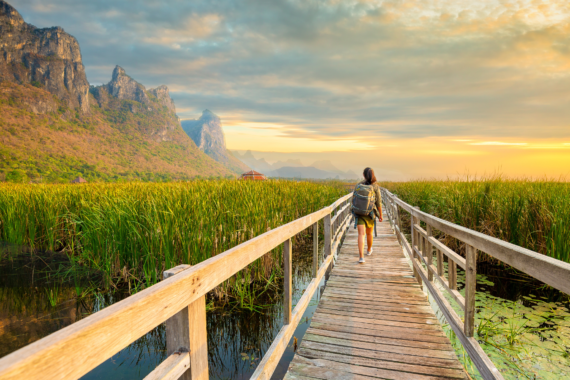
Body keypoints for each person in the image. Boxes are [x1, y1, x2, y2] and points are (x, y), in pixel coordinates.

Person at [355, 168, 382, 263]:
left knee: (361, 234)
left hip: (359, 213)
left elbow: (353, 199)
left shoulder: (359, 185)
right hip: (370, 213)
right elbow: (378, 202)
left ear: (363, 175)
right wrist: (380, 215)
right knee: (369, 233)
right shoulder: (375, 186)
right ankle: (369, 250)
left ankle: (361, 257)